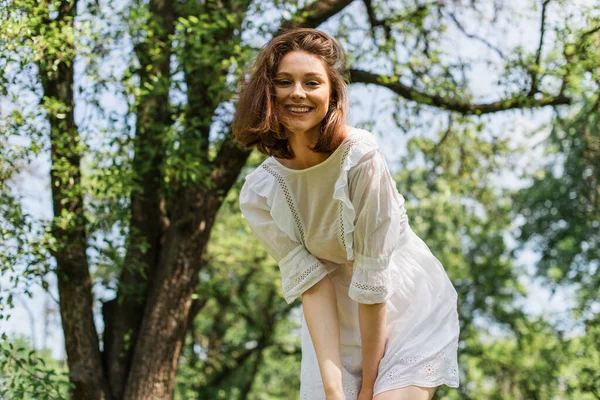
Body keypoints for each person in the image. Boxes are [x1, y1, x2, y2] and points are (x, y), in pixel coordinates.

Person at [233, 28, 460, 400]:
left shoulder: (361, 157)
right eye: (284, 82)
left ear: (332, 93)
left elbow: (374, 277)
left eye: (312, 82)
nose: (298, 93)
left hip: (401, 302)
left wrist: (368, 389)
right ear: (268, 92)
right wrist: (335, 389)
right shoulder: (260, 193)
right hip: (334, 323)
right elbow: (315, 285)